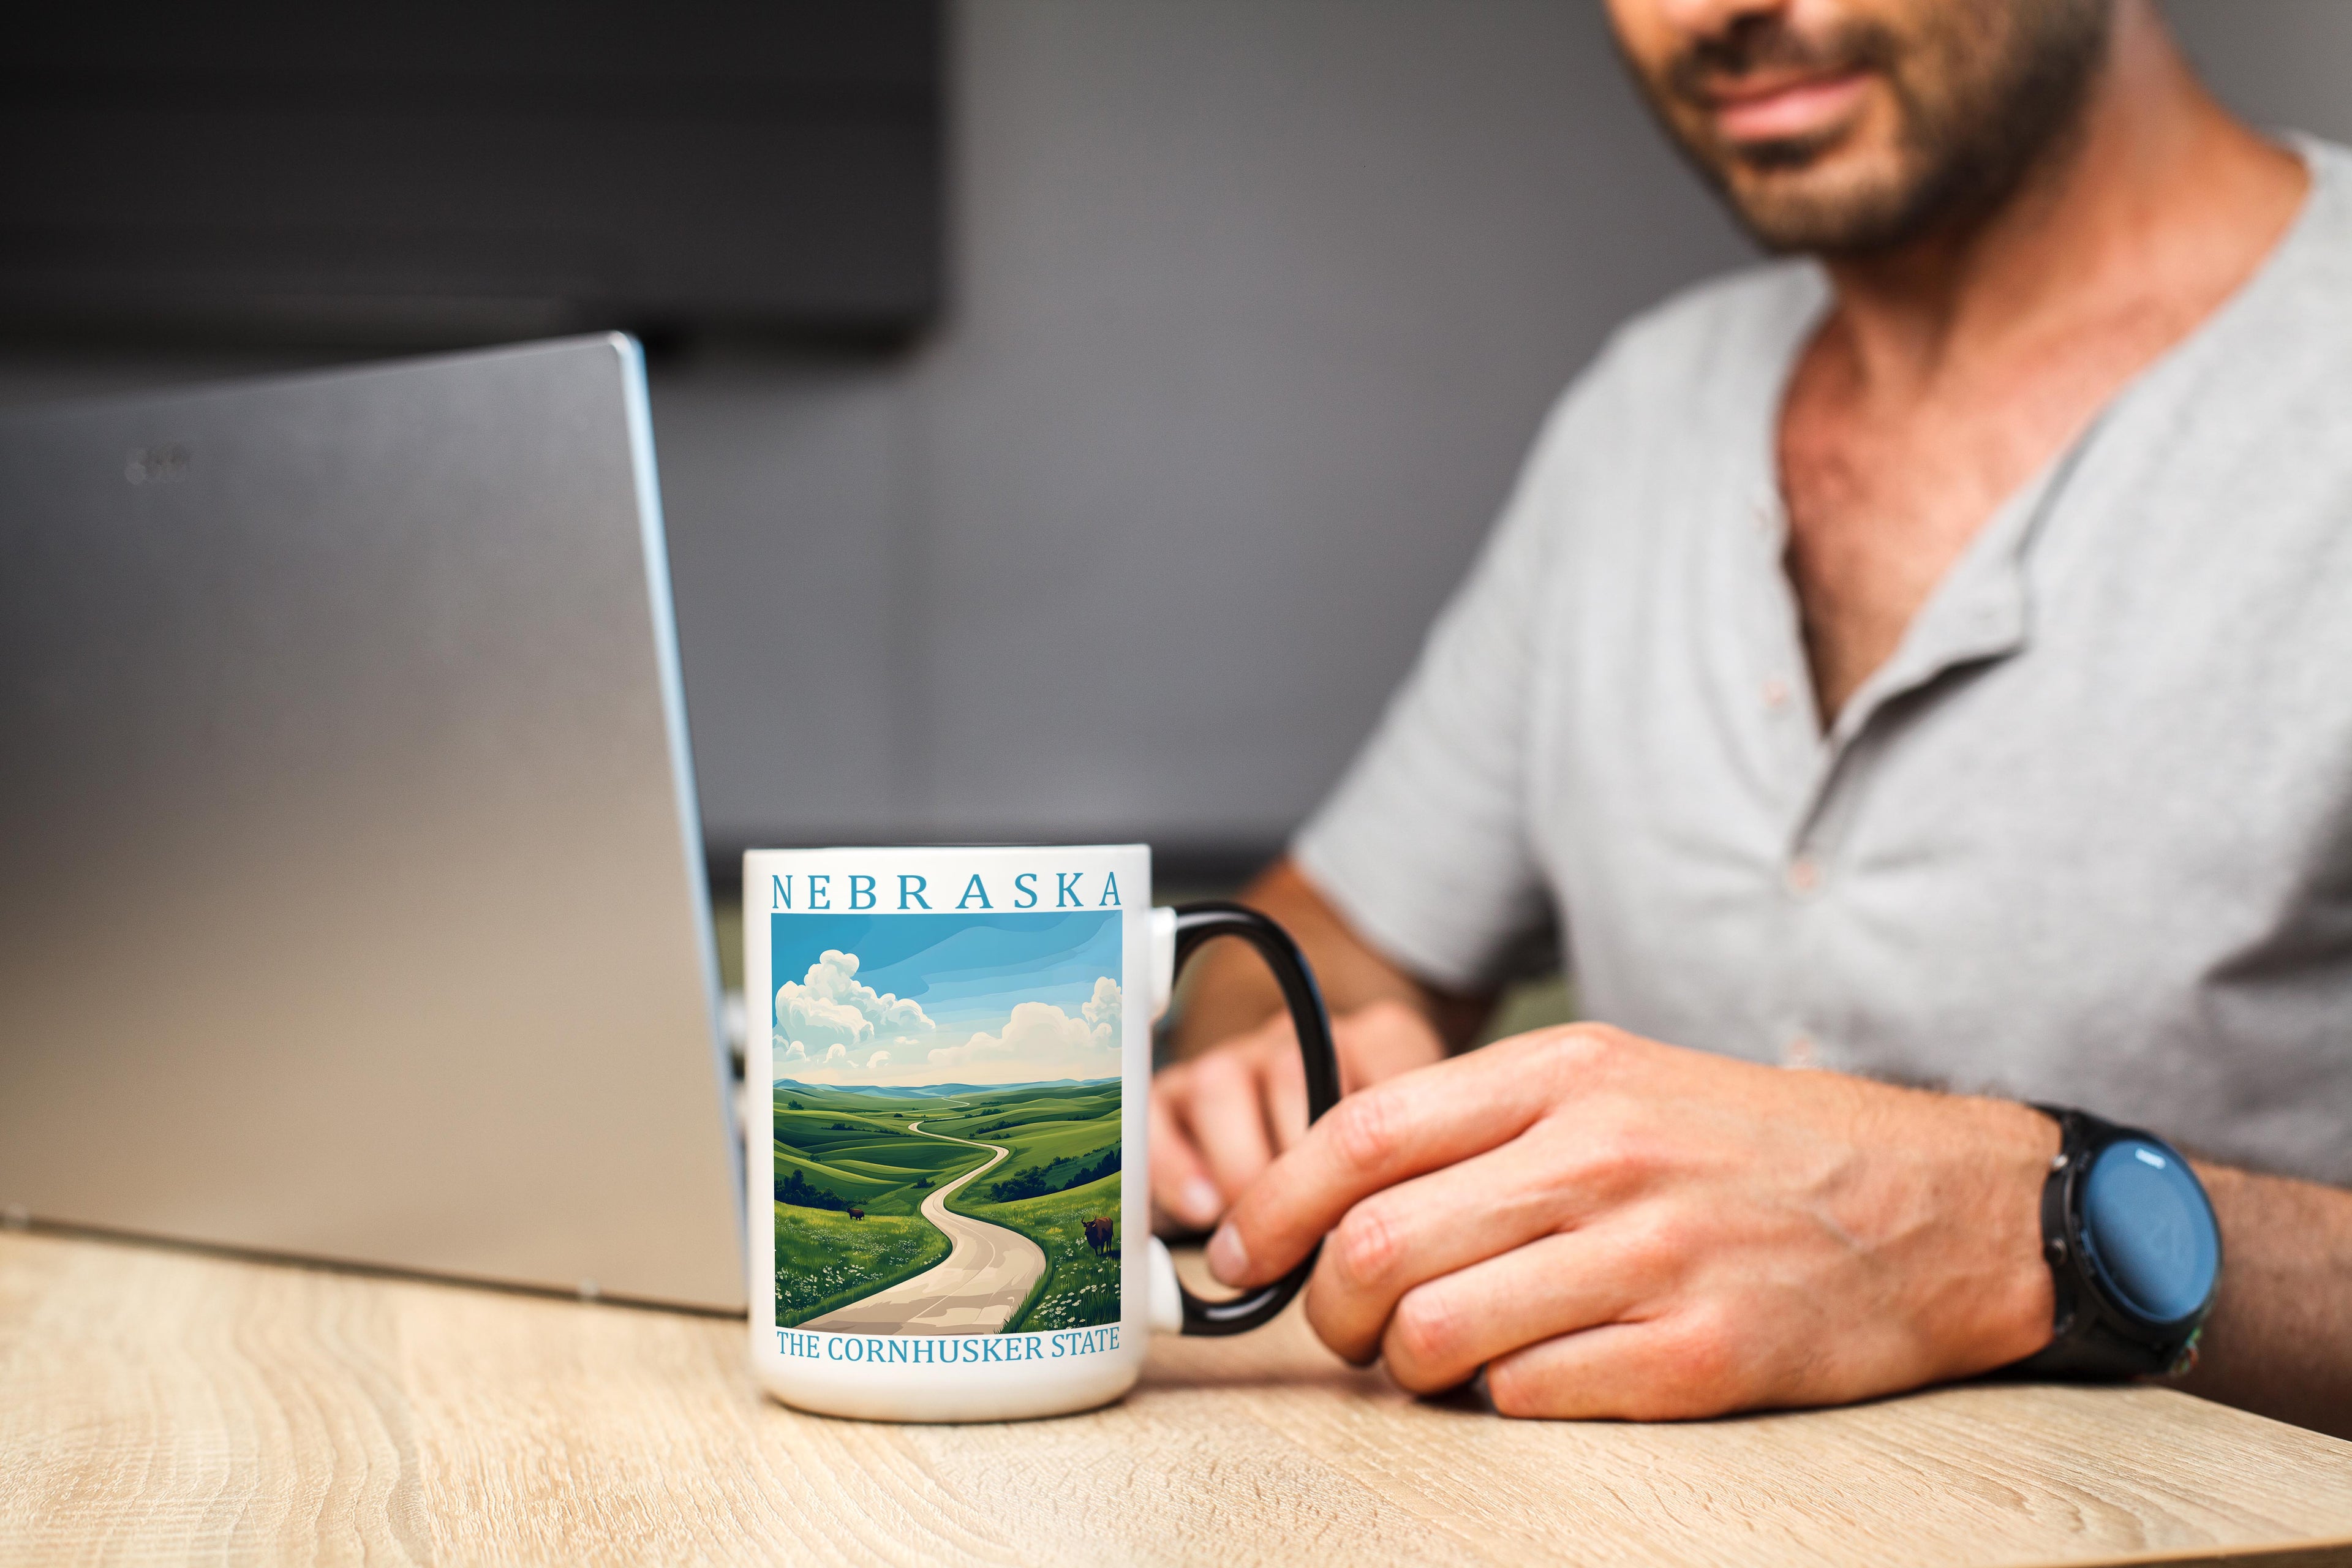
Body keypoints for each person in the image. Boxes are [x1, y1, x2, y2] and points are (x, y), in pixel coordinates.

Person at [1149, 0, 2352, 1437]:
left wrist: (2009, 1229)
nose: (1718, 11)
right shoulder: (1641, 417)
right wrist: (1291, 1059)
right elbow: (1327, 934)